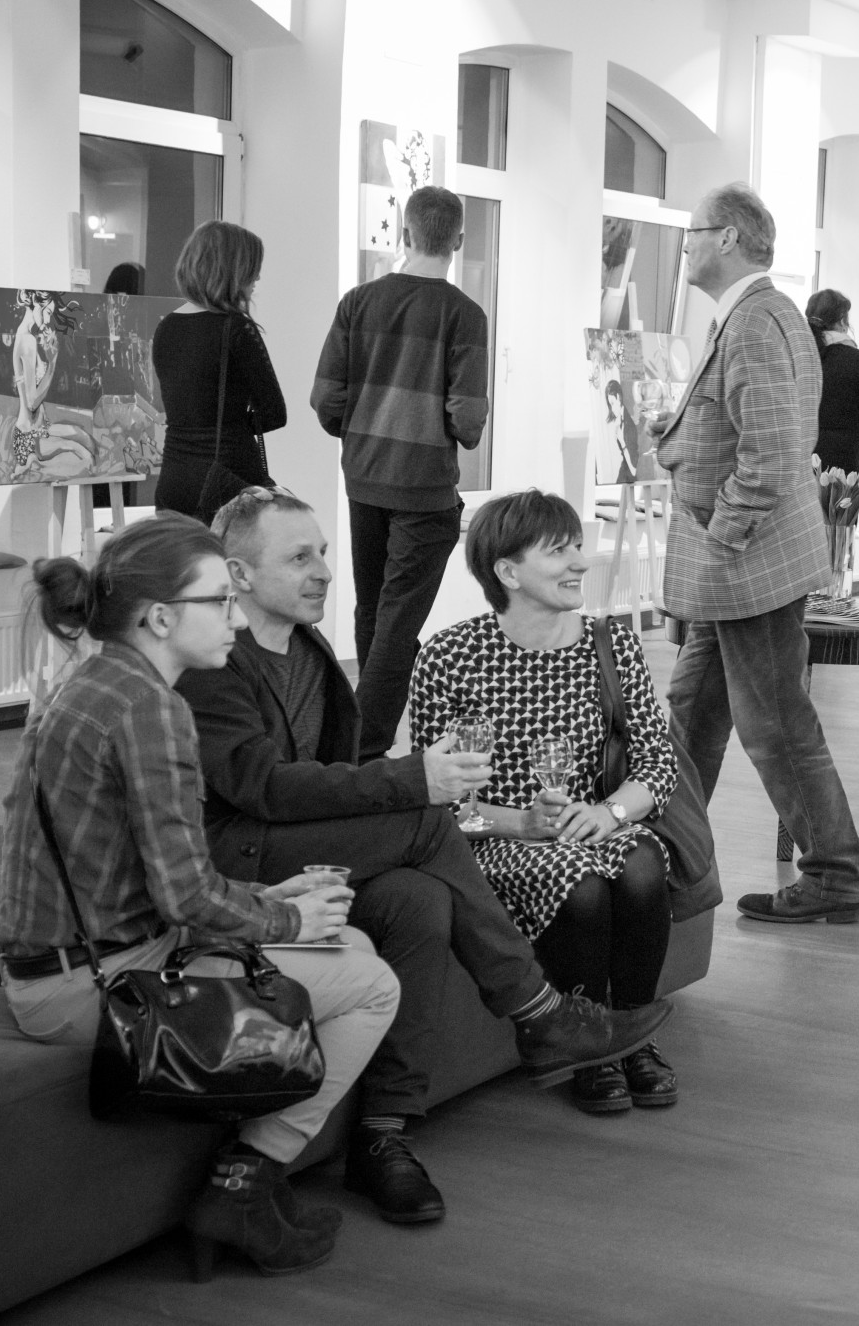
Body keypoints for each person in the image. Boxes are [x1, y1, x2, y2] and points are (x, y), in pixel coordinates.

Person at [180, 488, 676, 1218]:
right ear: (240, 574)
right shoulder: (216, 662)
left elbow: (336, 775)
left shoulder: (310, 651)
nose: (324, 570)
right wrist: (418, 781)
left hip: (302, 841)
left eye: (323, 552)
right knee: (427, 822)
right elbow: (261, 787)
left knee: (422, 897)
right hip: (243, 855)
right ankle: (540, 1012)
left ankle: (382, 1134)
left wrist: (592, 811)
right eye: (300, 557)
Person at [0, 514, 398, 1277]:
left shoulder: (90, 681)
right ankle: (245, 1180)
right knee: (372, 983)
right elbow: (183, 895)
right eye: (219, 600)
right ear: (160, 617)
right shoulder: (151, 708)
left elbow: (151, 875)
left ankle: (245, 1179)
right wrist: (286, 915)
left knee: (349, 943)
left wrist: (266, 894)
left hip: (62, 961)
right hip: (93, 983)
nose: (236, 619)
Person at [411, 491, 683, 1114]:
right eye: (559, 551)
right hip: (496, 840)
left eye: (577, 547)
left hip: (595, 824)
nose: (580, 563)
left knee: (642, 864)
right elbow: (437, 798)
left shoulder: (611, 644)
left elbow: (657, 762)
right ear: (507, 572)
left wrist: (609, 813)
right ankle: (589, 1049)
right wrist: (521, 823)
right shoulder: (449, 657)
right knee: (579, 885)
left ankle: (633, 1033)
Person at [648, 182, 859, 924]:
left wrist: (722, 538)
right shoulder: (758, 315)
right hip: (740, 568)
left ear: (728, 239)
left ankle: (835, 873)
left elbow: (771, 455)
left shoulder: (754, 321)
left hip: (749, 566)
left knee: (775, 723)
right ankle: (665, 861)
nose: (685, 244)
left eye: (694, 232)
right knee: (690, 716)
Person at [311, 185, 487, 763]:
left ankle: (361, 745)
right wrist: (454, 430)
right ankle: (362, 752)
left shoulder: (357, 302)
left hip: (364, 478)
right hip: (425, 488)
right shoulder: (464, 315)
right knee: (396, 623)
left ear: (405, 234)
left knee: (373, 610)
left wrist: (360, 432)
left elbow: (326, 398)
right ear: (458, 240)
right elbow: (467, 415)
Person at [152, 221, 282, 520]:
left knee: (180, 552)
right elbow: (274, 413)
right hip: (227, 480)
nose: (257, 277)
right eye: (252, 268)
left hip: (174, 479)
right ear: (233, 270)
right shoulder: (236, 327)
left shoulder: (166, 326)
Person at [806, 288, 859, 474]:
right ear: (843, 321)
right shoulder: (856, 359)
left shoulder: (799, 356)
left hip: (802, 459)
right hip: (843, 467)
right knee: (838, 495)